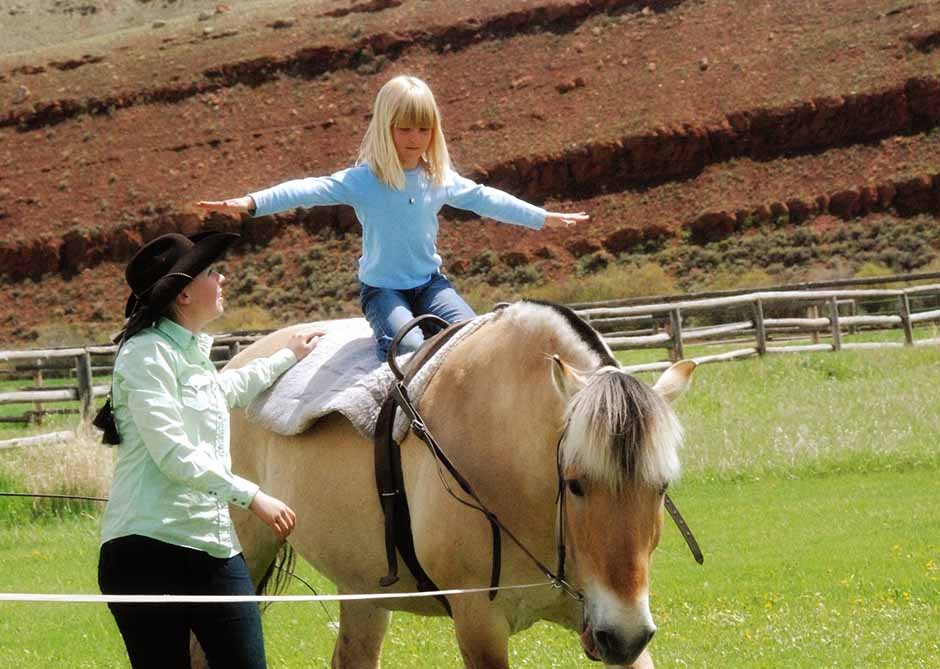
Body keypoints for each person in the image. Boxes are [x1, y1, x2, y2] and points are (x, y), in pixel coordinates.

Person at [196, 74, 589, 361]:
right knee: (409, 349)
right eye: (405, 128)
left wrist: (542, 218)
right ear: (387, 127)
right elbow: (307, 189)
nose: (415, 137)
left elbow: (486, 199)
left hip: (430, 285)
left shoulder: (438, 178)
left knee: (471, 338)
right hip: (383, 291)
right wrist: (250, 202)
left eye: (424, 128)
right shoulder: (364, 180)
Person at [93, 231, 323, 668]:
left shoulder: (189, 356)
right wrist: (252, 495)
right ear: (183, 293)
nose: (223, 278)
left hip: (214, 547)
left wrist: (286, 357)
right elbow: (173, 452)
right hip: (145, 553)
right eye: (213, 272)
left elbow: (224, 390)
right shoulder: (144, 357)